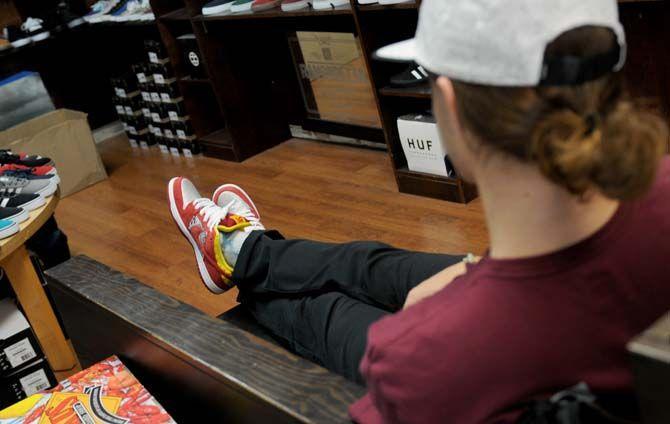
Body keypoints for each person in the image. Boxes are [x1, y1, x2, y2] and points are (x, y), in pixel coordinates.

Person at [167, 0, 670, 422]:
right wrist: (478, 278)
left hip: (484, 338)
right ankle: (245, 250)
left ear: (449, 105)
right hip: (546, 288)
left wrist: (442, 322)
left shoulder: (415, 362)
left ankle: (238, 258)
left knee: (320, 311)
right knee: (372, 264)